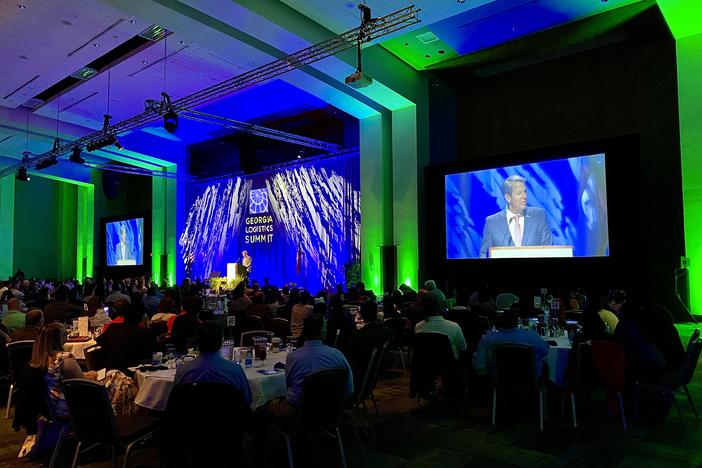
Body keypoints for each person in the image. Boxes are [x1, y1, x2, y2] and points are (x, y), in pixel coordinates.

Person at [267, 314, 353, 420]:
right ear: (323, 332)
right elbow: (349, 389)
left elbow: (288, 386)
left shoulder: (293, 358)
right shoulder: (337, 355)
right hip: (329, 412)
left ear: (304, 332)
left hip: (297, 413)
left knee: (265, 405)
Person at [174, 321, 252, 406]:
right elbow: (247, 402)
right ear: (222, 341)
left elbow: (177, 403)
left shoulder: (182, 371)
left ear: (197, 342)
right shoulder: (235, 371)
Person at [480, 175, 552, 258]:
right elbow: (484, 254)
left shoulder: (539, 216)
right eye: (519, 193)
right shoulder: (492, 222)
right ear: (508, 197)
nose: (524, 196)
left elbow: (549, 249)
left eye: (525, 192)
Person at [472, 309, 550, 377]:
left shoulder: (488, 339)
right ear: (517, 322)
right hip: (530, 379)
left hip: (499, 381)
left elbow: (479, 365)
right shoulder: (532, 335)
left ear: (500, 322)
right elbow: (545, 351)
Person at [344, 301, 393, 395]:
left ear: (361, 314)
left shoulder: (357, 335)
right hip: (374, 374)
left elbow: (349, 354)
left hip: (357, 376)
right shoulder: (386, 332)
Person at [96, 303, 154, 372]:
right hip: (133, 371)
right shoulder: (144, 333)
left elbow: (99, 341)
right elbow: (151, 355)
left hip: (111, 369)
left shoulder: (112, 327)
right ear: (140, 318)